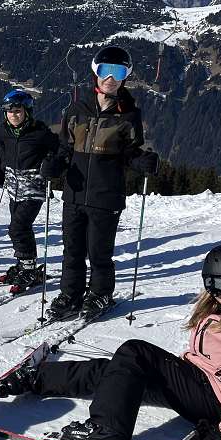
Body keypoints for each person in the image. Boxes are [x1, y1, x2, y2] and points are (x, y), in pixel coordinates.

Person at [0, 244, 221, 440]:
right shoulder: (219, 306)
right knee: (119, 373)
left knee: (134, 352)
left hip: (218, 401)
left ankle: (106, 433)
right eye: (216, 285)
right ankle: (37, 378)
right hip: (201, 383)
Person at [47, 46, 159, 321]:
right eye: (106, 70)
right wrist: (56, 164)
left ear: (125, 76)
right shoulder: (77, 109)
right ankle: (71, 294)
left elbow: (130, 152)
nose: (110, 78)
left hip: (106, 195)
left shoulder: (128, 115)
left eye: (118, 72)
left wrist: (143, 161)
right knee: (72, 251)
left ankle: (100, 293)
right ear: (96, 72)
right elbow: (65, 147)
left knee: (99, 252)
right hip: (74, 193)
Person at [0, 89, 59, 291]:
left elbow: (59, 150)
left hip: (33, 187)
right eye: (9, 111)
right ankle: (25, 265)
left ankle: (29, 269)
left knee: (17, 228)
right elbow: (1, 146)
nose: (13, 115)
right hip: (14, 187)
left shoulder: (40, 133)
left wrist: (51, 163)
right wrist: (4, 164)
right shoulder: (2, 131)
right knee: (22, 227)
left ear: (27, 112)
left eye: (18, 111)